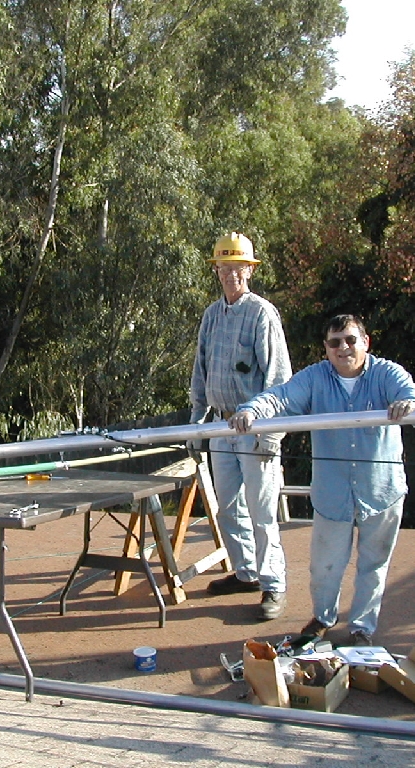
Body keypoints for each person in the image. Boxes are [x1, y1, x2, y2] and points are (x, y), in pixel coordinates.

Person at [228, 314, 415, 645]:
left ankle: (362, 629)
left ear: (365, 342)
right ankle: (323, 617)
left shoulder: (387, 373)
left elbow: (410, 395)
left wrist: (409, 403)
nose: (343, 348)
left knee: (373, 565)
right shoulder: (315, 377)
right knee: (324, 566)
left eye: (350, 340)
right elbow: (281, 396)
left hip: (382, 491)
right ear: (326, 348)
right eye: (335, 343)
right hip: (333, 493)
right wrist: (252, 410)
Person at [190, 232, 293, 621]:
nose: (231, 274)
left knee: (262, 511)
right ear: (216, 270)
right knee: (228, 508)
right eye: (225, 267)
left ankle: (273, 583)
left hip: (255, 429)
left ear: (250, 271)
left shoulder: (262, 314)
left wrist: (270, 434)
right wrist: (196, 425)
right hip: (220, 426)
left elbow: (279, 380)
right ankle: (246, 572)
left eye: (239, 267)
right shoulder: (211, 316)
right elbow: (200, 371)